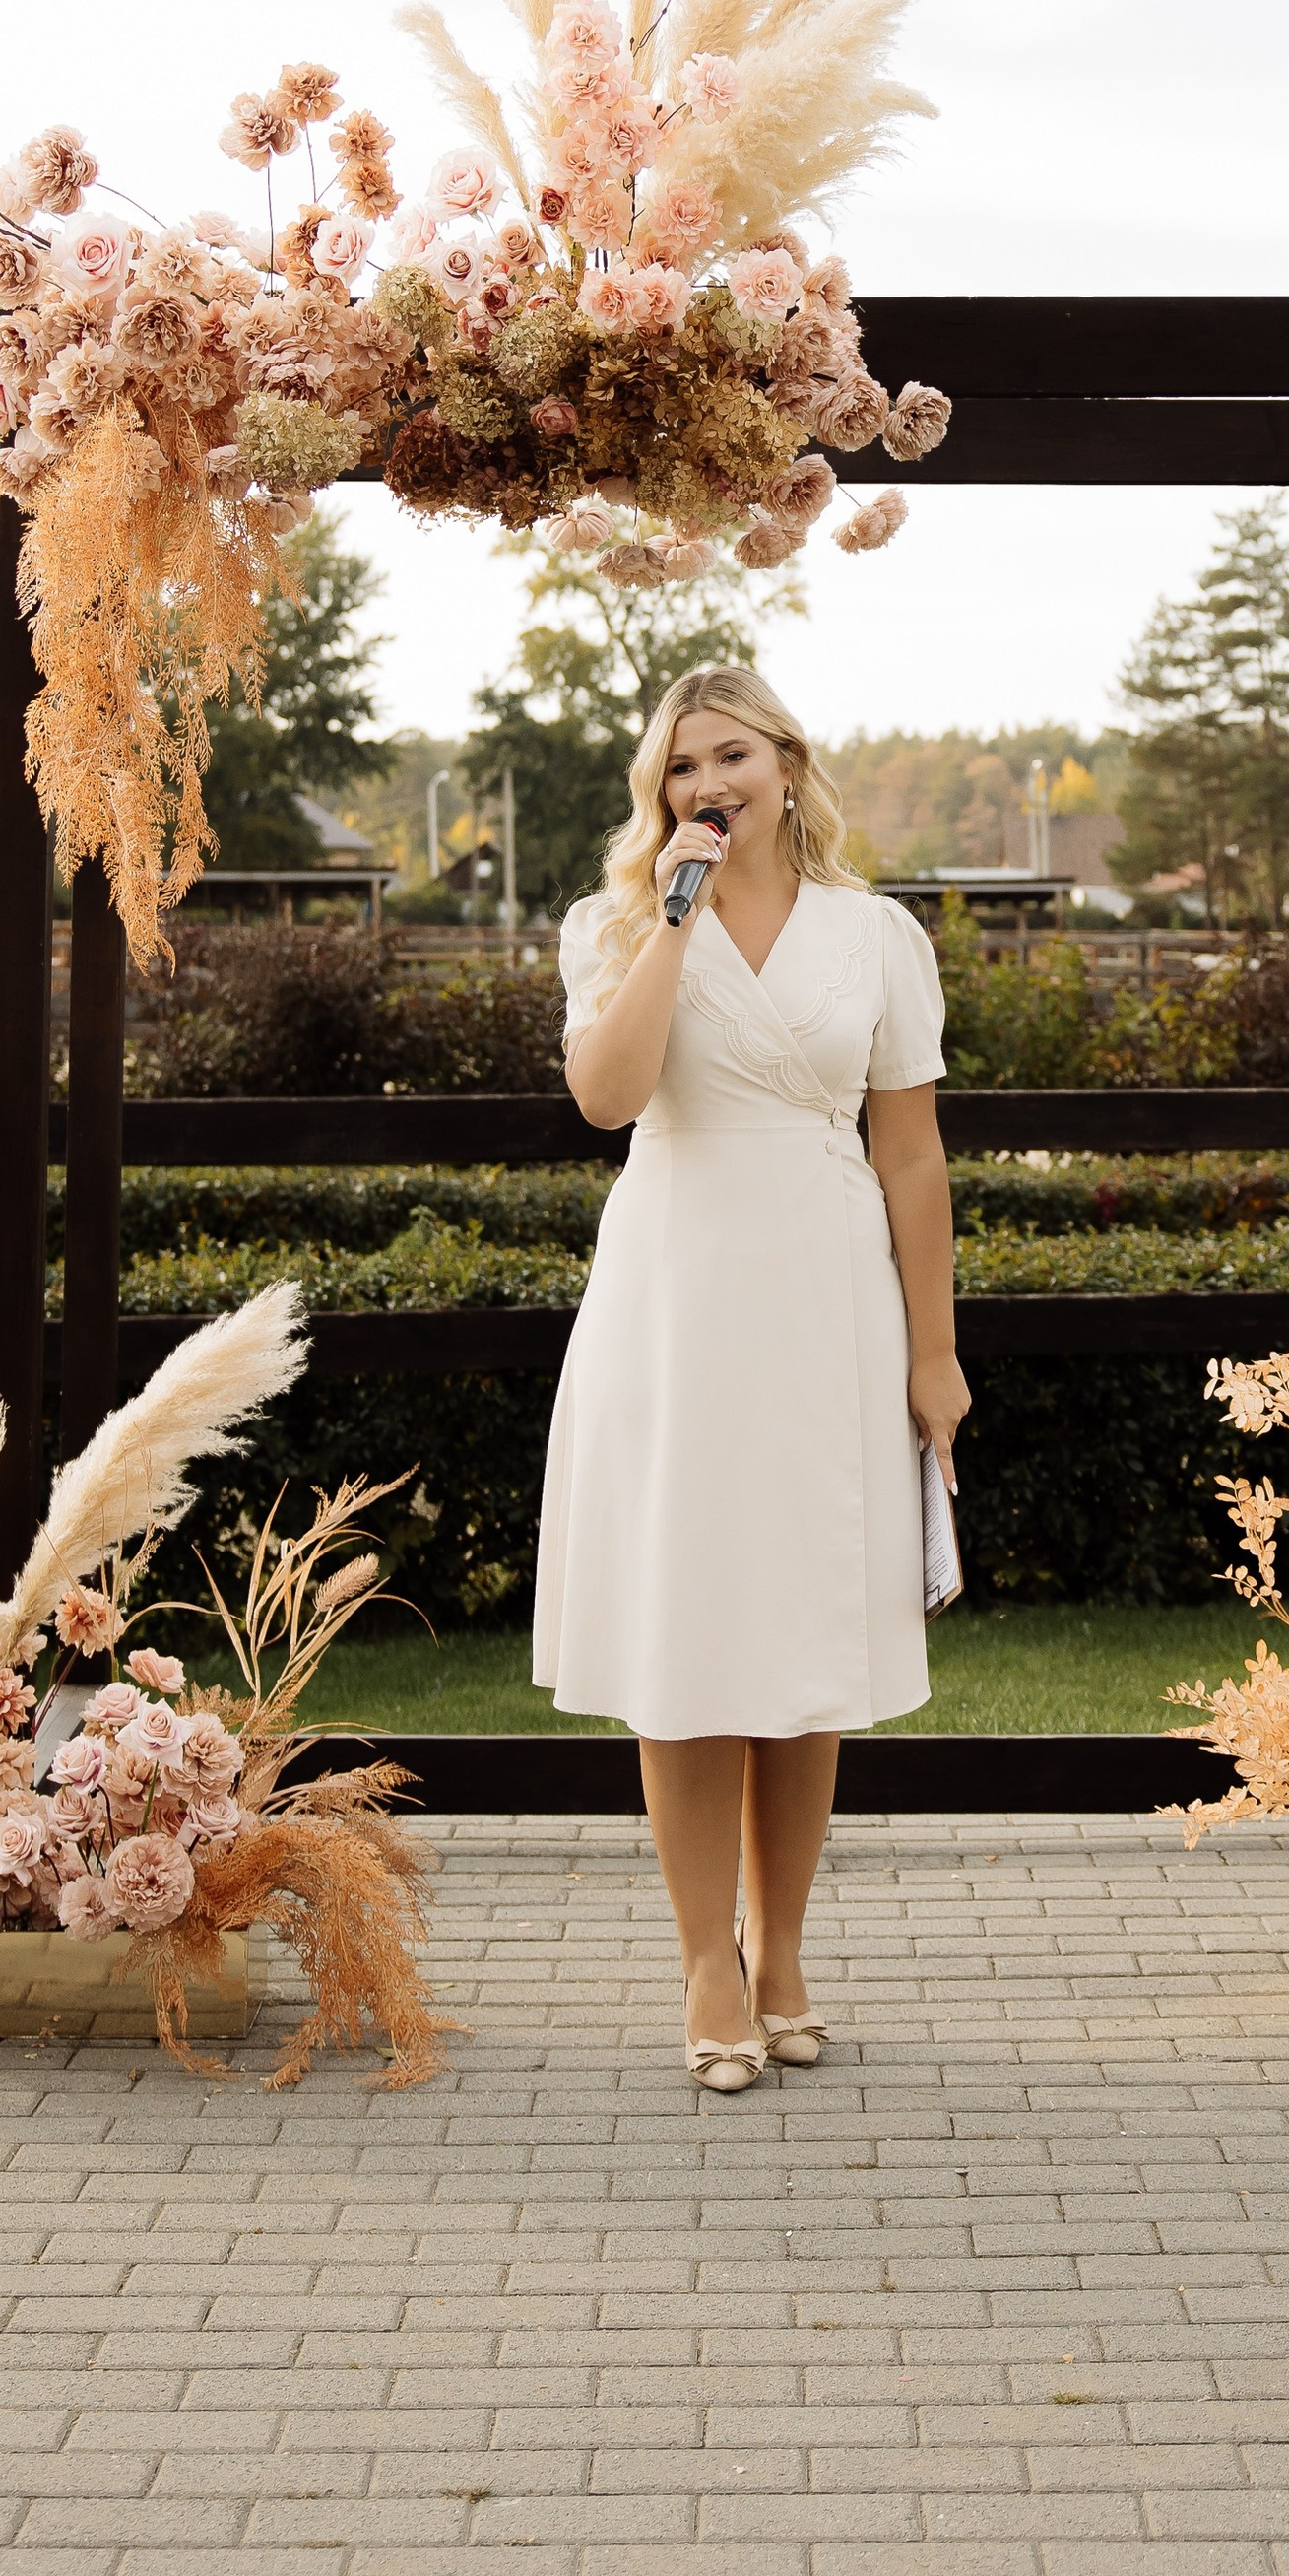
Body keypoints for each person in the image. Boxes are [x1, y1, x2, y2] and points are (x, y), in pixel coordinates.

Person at [533, 663, 971, 2091]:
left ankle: (781, 1946)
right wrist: (672, 919)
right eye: (679, 767)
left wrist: (934, 1351)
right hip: (675, 1291)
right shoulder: (611, 923)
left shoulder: (878, 935)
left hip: (827, 1292)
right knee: (688, 1626)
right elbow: (606, 1095)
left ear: (786, 763)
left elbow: (911, 1153)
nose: (706, 784)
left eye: (729, 756)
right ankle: (703, 1964)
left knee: (803, 1628)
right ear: (657, 795)